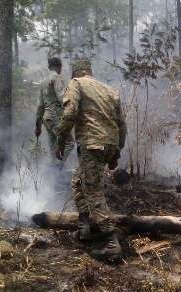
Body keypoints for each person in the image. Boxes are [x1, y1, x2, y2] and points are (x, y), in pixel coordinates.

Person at [55, 59, 127, 261]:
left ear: (75, 73)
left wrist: (60, 141)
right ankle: (84, 228)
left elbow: (69, 113)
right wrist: (116, 152)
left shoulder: (76, 84)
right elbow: (122, 126)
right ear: (90, 71)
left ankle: (111, 242)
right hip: (109, 145)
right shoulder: (109, 90)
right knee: (78, 181)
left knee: (93, 191)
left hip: (92, 145)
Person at [35, 57, 73, 166]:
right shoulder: (56, 77)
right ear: (59, 67)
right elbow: (61, 97)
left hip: (46, 119)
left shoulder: (43, 82)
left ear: (49, 67)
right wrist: (72, 106)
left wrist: (38, 125)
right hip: (56, 115)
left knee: (53, 148)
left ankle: (52, 174)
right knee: (69, 142)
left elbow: (40, 106)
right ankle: (57, 167)